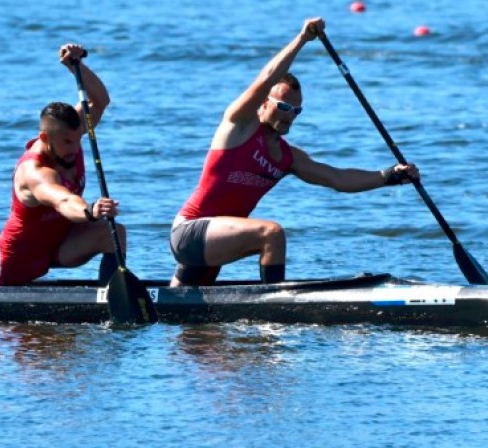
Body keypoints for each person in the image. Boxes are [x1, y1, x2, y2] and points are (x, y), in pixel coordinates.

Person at [169, 17, 420, 286]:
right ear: (263, 104)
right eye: (284, 107)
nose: (291, 115)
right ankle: (275, 308)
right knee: (271, 233)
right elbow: (264, 81)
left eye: (296, 110)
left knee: (186, 313)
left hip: (220, 239)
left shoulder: (289, 157)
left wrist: (389, 176)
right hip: (190, 232)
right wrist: (302, 40)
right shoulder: (239, 125)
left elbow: (338, 179)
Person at [0, 43, 123, 287]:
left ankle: (111, 298)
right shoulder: (35, 172)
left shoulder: (69, 136)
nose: (75, 148)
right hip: (18, 260)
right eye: (67, 142)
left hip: (60, 245)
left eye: (78, 139)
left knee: (113, 233)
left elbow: (100, 101)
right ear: (45, 138)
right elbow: (63, 201)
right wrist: (91, 211)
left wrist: (75, 66)